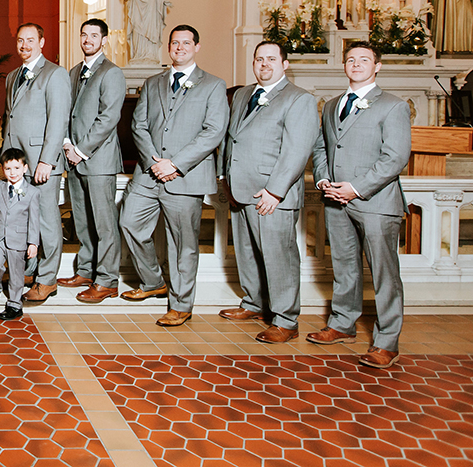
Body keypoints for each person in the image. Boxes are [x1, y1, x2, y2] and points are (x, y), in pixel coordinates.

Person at [310, 41, 411, 369]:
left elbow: (395, 157)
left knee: (384, 273)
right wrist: (324, 179)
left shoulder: (393, 106)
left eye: (364, 60)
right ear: (344, 65)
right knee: (344, 267)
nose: (356, 64)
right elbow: (322, 147)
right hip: (335, 199)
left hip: (375, 202)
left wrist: (356, 188)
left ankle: (386, 341)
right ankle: (342, 324)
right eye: (351, 59)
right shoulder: (332, 105)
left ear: (377, 66)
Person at [119, 25, 228, 327]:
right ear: (168, 47)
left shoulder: (213, 85)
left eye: (185, 43)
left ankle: (181, 305)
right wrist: (154, 160)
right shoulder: (153, 82)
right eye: (174, 43)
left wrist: (176, 164)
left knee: (182, 243)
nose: (179, 47)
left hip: (185, 176)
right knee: (129, 222)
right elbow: (138, 124)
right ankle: (154, 280)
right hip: (148, 173)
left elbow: (214, 131)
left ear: (197, 46)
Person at [219, 41, 319, 343]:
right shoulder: (242, 95)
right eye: (259, 59)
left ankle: (286, 320)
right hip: (240, 189)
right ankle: (253, 303)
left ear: (284, 64)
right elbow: (231, 137)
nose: (264, 64)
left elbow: (297, 150)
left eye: (271, 59)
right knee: (247, 253)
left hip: (271, 194)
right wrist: (225, 175)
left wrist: (275, 192)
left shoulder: (298, 99)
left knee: (279, 257)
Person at [0, 23, 71, 303]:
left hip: (42, 162)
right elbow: (11, 119)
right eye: (20, 40)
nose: (24, 45)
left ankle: (48, 279)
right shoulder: (13, 76)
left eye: (30, 40)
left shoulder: (55, 74)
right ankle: (29, 271)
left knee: (47, 220)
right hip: (16, 163)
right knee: (22, 219)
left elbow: (58, 120)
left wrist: (47, 161)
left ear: (42, 41)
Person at [61, 19, 126, 303]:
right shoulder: (74, 72)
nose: (87, 39)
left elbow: (109, 118)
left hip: (97, 160)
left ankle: (108, 280)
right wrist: (66, 144)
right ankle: (86, 271)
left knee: (104, 222)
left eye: (94, 35)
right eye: (84, 34)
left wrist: (81, 149)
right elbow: (65, 112)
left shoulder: (112, 73)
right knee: (83, 221)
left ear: (104, 40)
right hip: (73, 158)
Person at [0, 148, 41, 321]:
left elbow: (34, 220)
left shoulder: (32, 193)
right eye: (8, 169)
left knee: (16, 272)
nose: (12, 173)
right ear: (2, 169)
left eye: (16, 168)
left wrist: (33, 243)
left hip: (19, 238)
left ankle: (15, 304)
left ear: (25, 168)